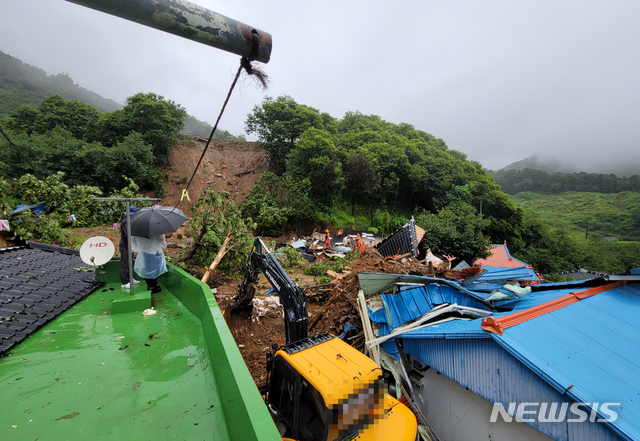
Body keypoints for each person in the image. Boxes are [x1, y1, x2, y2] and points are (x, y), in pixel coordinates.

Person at [119, 217, 140, 289]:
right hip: (125, 246)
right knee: (125, 264)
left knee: (129, 263)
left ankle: (130, 278)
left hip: (130, 245)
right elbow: (127, 234)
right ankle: (124, 282)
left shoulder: (131, 221)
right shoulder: (126, 222)